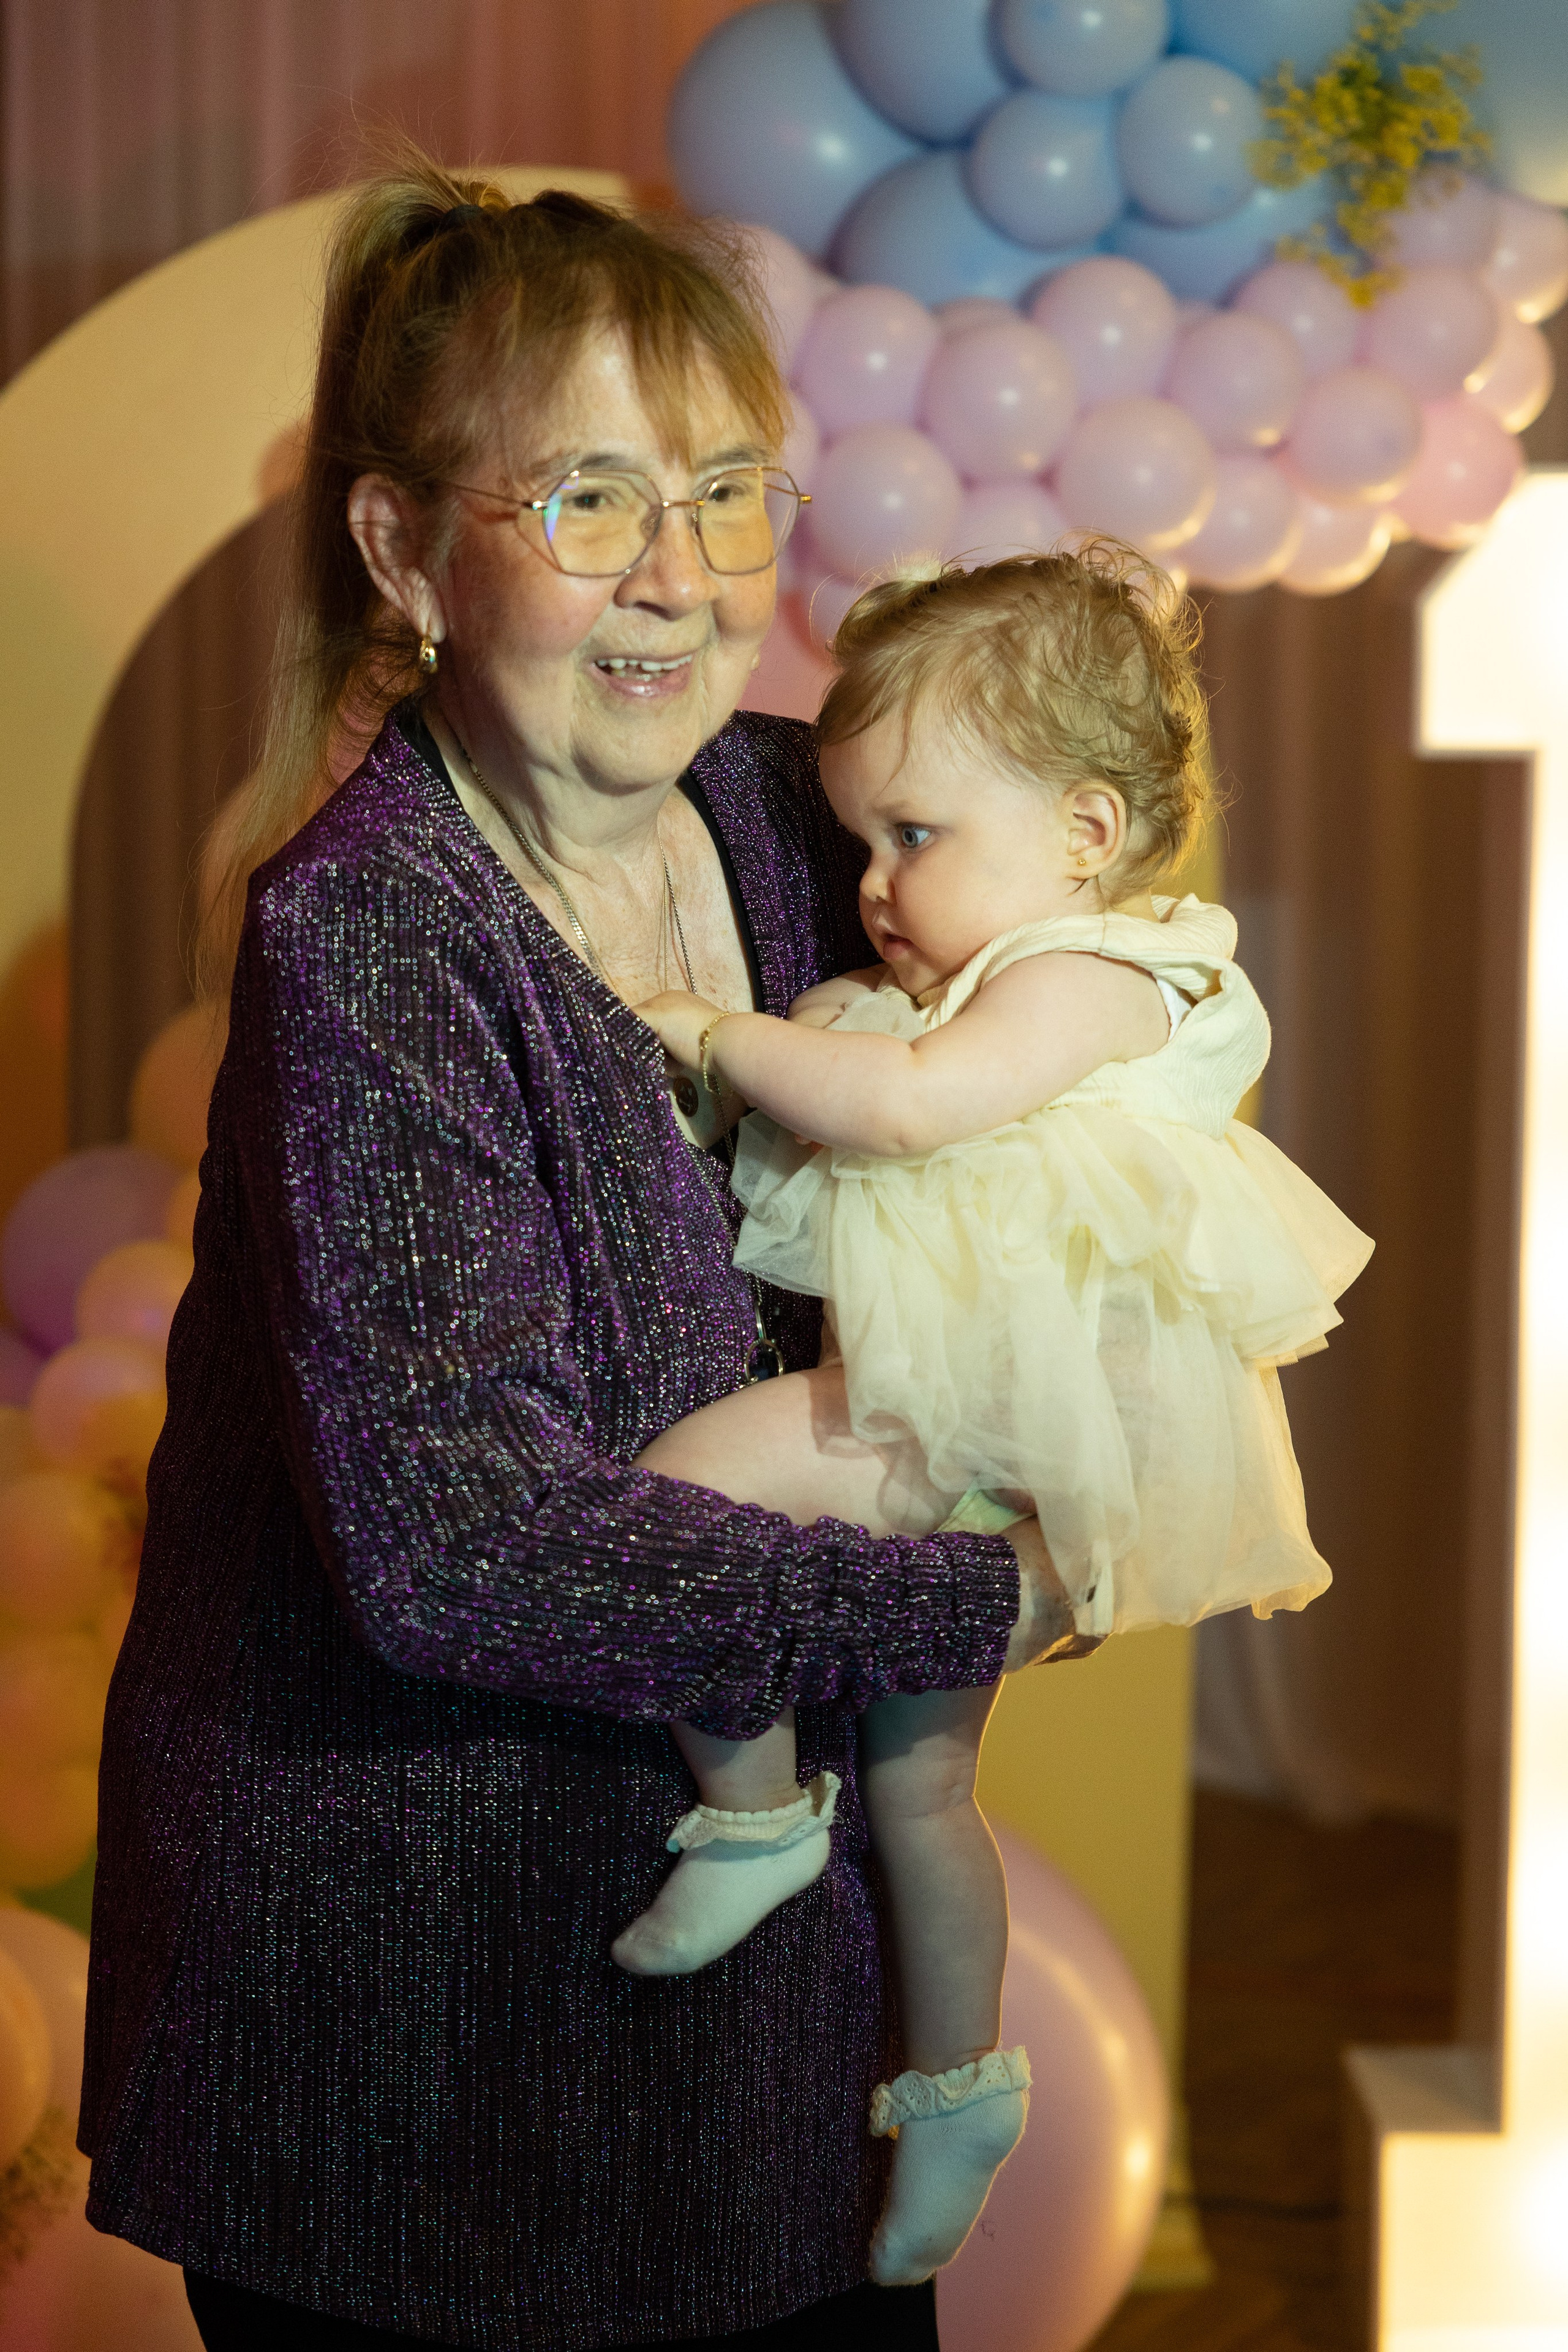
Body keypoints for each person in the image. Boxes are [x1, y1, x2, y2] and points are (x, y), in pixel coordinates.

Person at [78, 161, 1076, 2352]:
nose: (680, 576)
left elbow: (1064, 1105)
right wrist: (976, 1589)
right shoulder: (371, 937)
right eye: (589, 499)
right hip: (426, 2031)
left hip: (771, 2039)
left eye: (726, 492)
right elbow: (469, 1553)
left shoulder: (807, 813)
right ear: (401, 551)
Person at [625, 549, 1374, 2285]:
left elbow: (905, 1113)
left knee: (677, 1498)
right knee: (926, 1781)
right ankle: (958, 2086)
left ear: (1091, 832)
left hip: (979, 1411)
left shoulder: (1094, 979)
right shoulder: (1014, 961)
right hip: (990, 1417)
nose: (875, 886)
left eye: (914, 836)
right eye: (861, 840)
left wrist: (716, 1036)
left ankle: (746, 1812)